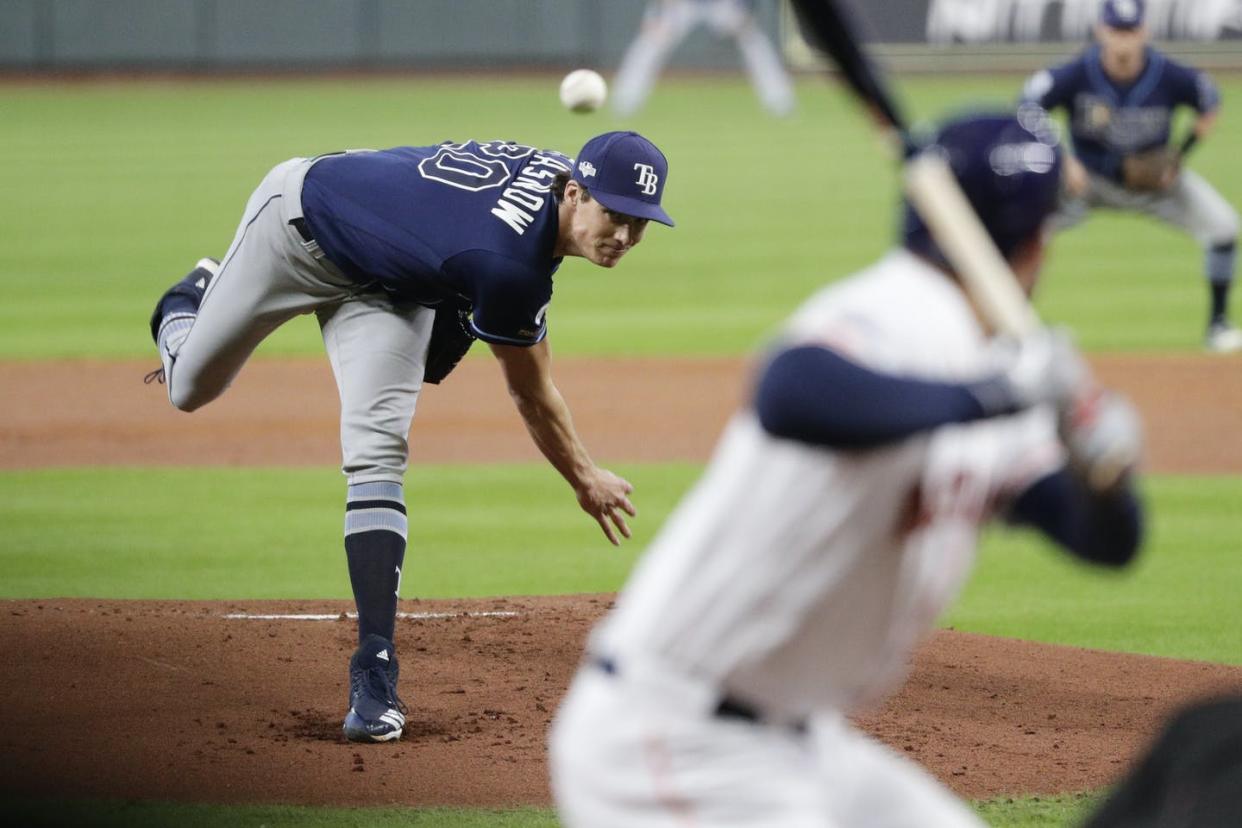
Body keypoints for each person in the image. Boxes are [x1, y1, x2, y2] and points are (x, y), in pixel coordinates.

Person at [549, 111, 1145, 827]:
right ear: (1034, 239)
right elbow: (791, 389)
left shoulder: (1001, 373)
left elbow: (1106, 543)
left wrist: (1104, 469)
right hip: (670, 740)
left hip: (804, 742)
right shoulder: (897, 311)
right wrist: (998, 394)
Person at [145, 131, 674, 743]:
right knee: (188, 387)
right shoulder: (508, 268)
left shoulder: (553, 184)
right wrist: (585, 476)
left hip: (393, 288)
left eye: (641, 224)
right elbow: (530, 391)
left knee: (378, 450)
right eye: (615, 215)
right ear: (575, 192)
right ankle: (195, 294)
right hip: (300, 225)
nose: (626, 238)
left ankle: (374, 672)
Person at [1021, 0, 1242, 352]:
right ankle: (1015, 329)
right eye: (1116, 31)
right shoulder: (1079, 72)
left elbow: (1210, 100)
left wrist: (1180, 155)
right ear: (1100, 31)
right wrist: (1060, 158)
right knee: (1023, 231)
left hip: (1155, 185)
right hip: (1087, 181)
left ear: (1145, 32)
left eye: (1131, 31)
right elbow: (1028, 104)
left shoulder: (1168, 73)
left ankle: (1218, 326)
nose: (1123, 40)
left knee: (1225, 227)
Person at [612, 0, 796, 118]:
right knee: (649, 43)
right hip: (681, 5)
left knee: (754, 42)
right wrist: (656, 12)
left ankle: (779, 102)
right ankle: (625, 101)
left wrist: (744, 10)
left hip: (722, 5)